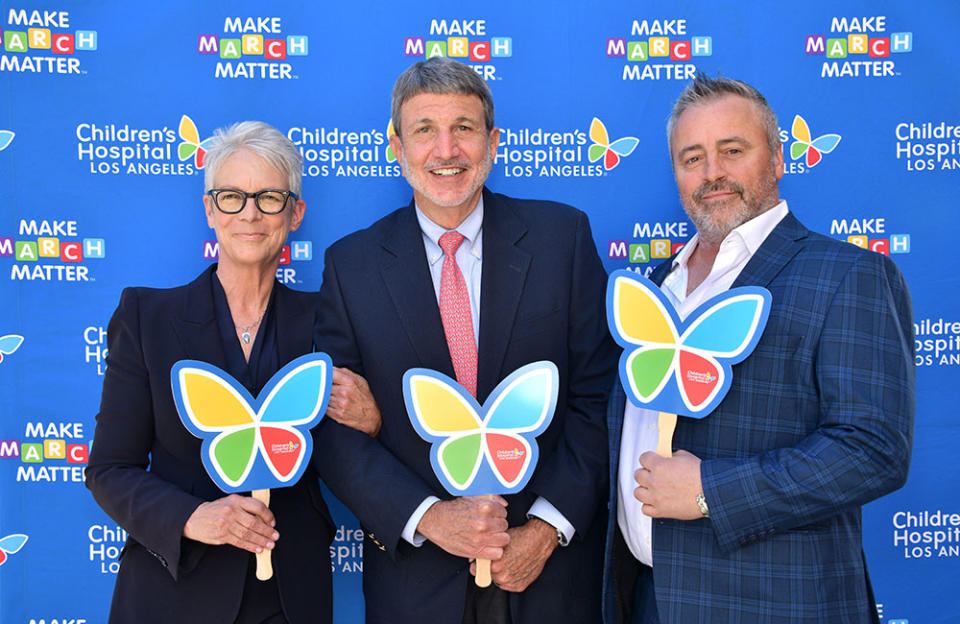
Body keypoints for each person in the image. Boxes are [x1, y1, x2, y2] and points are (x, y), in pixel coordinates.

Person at [311, 57, 618, 623]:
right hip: (417, 583)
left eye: (464, 128)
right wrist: (428, 516)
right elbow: (334, 431)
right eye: (425, 129)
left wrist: (547, 528)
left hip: (546, 578)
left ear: (493, 141)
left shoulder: (561, 239)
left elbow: (600, 399)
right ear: (397, 148)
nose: (446, 150)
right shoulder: (350, 266)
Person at [602, 73, 915, 624]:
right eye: (691, 157)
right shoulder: (653, 288)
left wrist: (709, 491)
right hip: (649, 601)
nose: (711, 173)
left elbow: (873, 450)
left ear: (776, 159)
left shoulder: (849, 275)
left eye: (732, 150)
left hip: (775, 605)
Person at [86, 121, 379, 624]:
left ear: (295, 213)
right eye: (231, 197)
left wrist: (374, 421)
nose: (250, 213)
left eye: (269, 197)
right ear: (209, 210)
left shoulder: (329, 324)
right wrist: (194, 517)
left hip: (290, 594)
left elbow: (359, 454)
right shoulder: (146, 318)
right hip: (174, 591)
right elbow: (110, 470)